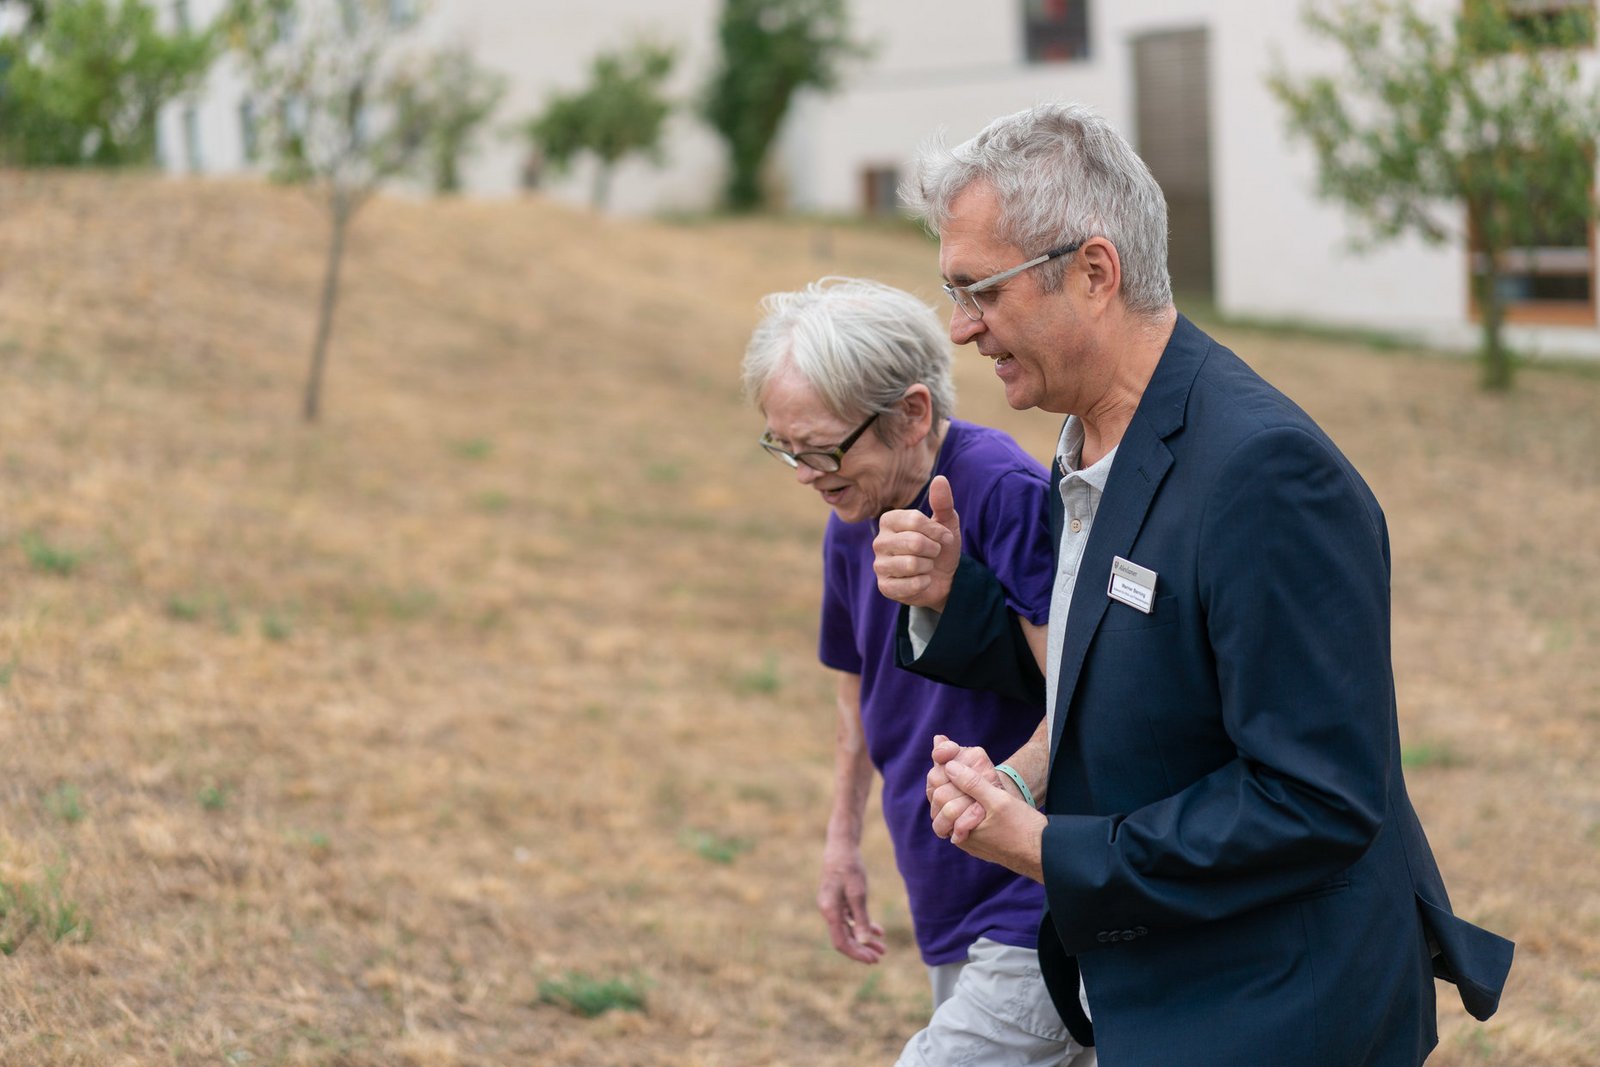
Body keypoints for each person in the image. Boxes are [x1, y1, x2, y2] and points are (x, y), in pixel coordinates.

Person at [870, 103, 1514, 1066]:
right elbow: (1123, 675)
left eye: (980, 292)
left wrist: (1050, 851)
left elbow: (1316, 798)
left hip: (1275, 1011)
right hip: (1169, 987)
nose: (961, 328)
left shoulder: (1266, 472)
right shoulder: (1090, 439)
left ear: (1093, 273)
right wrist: (955, 605)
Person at [742, 277, 1093, 1066]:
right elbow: (856, 693)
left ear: (912, 413)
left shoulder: (1000, 491)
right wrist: (841, 842)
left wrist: (1012, 789)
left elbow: (1079, 691)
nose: (805, 473)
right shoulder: (852, 511)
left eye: (822, 447)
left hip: (1031, 896)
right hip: (947, 891)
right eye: (785, 448)